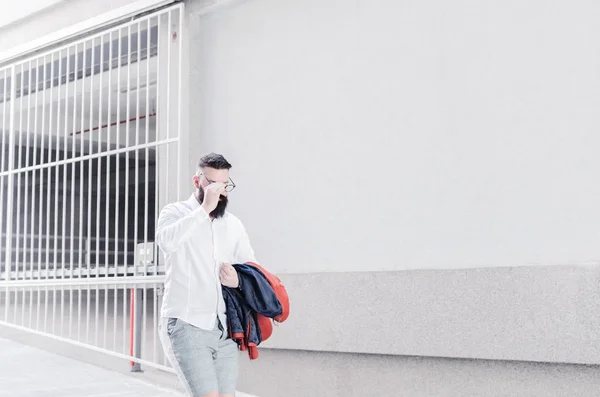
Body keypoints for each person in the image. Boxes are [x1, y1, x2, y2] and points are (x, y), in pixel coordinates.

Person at [156, 152, 256, 397]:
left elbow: (251, 267)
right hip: (187, 324)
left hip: (224, 328)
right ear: (197, 181)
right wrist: (203, 210)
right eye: (213, 184)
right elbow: (167, 242)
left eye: (225, 185)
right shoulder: (175, 213)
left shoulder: (233, 224)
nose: (220, 191)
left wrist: (239, 280)